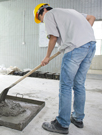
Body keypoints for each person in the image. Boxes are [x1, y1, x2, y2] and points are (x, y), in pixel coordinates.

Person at [33, 3, 96, 134]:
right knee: (79, 84)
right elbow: (92, 17)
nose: (42, 21)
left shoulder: (49, 14)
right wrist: (82, 35)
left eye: (40, 18)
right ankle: (78, 119)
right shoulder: (70, 11)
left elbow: (53, 37)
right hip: (90, 45)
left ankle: (62, 123)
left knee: (65, 86)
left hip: (75, 48)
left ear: (43, 10)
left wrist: (47, 57)